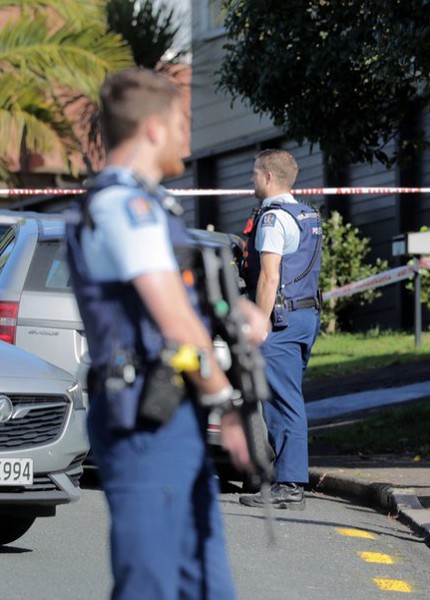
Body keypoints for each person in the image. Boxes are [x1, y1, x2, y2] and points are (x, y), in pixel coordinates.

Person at [66, 68, 260, 600]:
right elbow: (173, 318)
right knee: (150, 581)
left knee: (203, 580)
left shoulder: (147, 205)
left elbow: (179, 309)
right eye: (180, 123)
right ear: (153, 128)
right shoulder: (122, 206)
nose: (185, 138)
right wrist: (227, 403)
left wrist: (237, 315)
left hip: (169, 411)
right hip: (144, 416)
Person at [239, 149, 322, 510]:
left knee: (284, 401)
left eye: (255, 174)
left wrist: (258, 323)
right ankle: (286, 477)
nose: (251, 180)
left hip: (282, 321)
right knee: (286, 396)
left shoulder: (273, 219)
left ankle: (290, 484)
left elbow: (270, 277)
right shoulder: (306, 213)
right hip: (306, 317)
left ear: (269, 177)